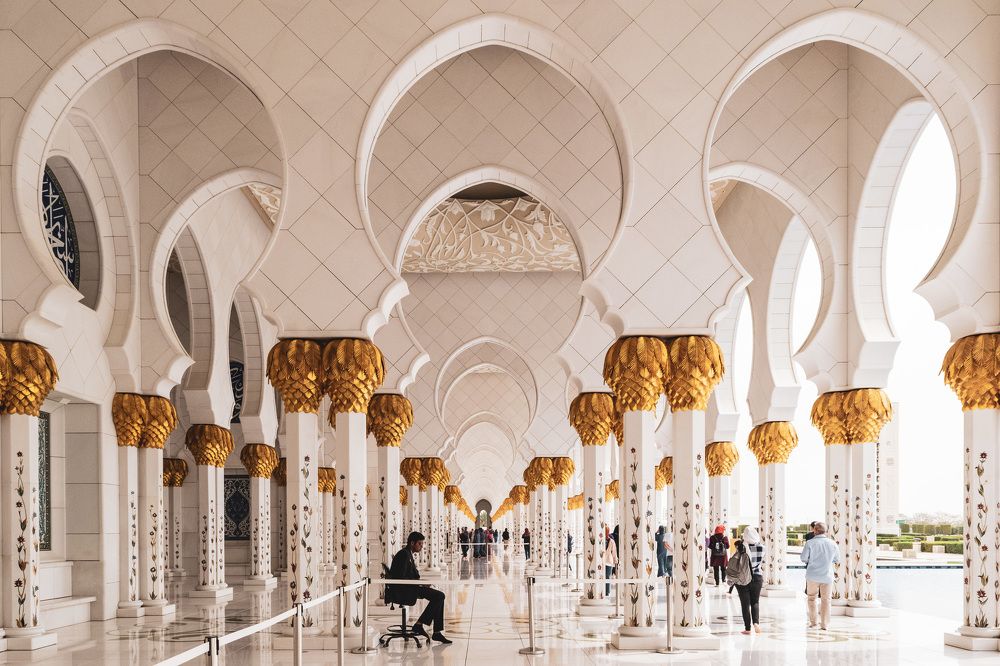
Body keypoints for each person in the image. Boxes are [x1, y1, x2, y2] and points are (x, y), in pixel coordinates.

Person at [387, 532, 452, 645]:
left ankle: (433, 630)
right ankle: (421, 626)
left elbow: (408, 576)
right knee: (439, 596)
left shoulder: (408, 553)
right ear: (412, 543)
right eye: (420, 543)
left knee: (439, 596)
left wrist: (420, 584)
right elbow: (401, 578)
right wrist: (419, 584)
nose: (421, 546)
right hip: (404, 590)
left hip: (410, 587)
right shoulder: (404, 555)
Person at [800, 521, 840, 630]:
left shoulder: (810, 543)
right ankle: (825, 624)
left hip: (812, 575)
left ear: (815, 531)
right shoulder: (833, 543)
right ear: (825, 531)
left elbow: (803, 558)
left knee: (812, 599)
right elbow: (837, 559)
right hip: (827, 576)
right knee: (826, 600)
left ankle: (813, 623)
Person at [736, 526, 764, 634]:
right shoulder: (762, 548)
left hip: (743, 578)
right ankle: (756, 623)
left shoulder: (741, 548)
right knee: (755, 602)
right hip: (757, 577)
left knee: (745, 604)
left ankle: (747, 628)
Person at [602, 531, 619, 597]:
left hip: (609, 561)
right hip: (601, 561)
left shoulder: (611, 541)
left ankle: (607, 591)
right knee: (602, 576)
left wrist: (616, 560)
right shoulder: (600, 540)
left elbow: (614, 551)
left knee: (607, 576)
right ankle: (603, 591)